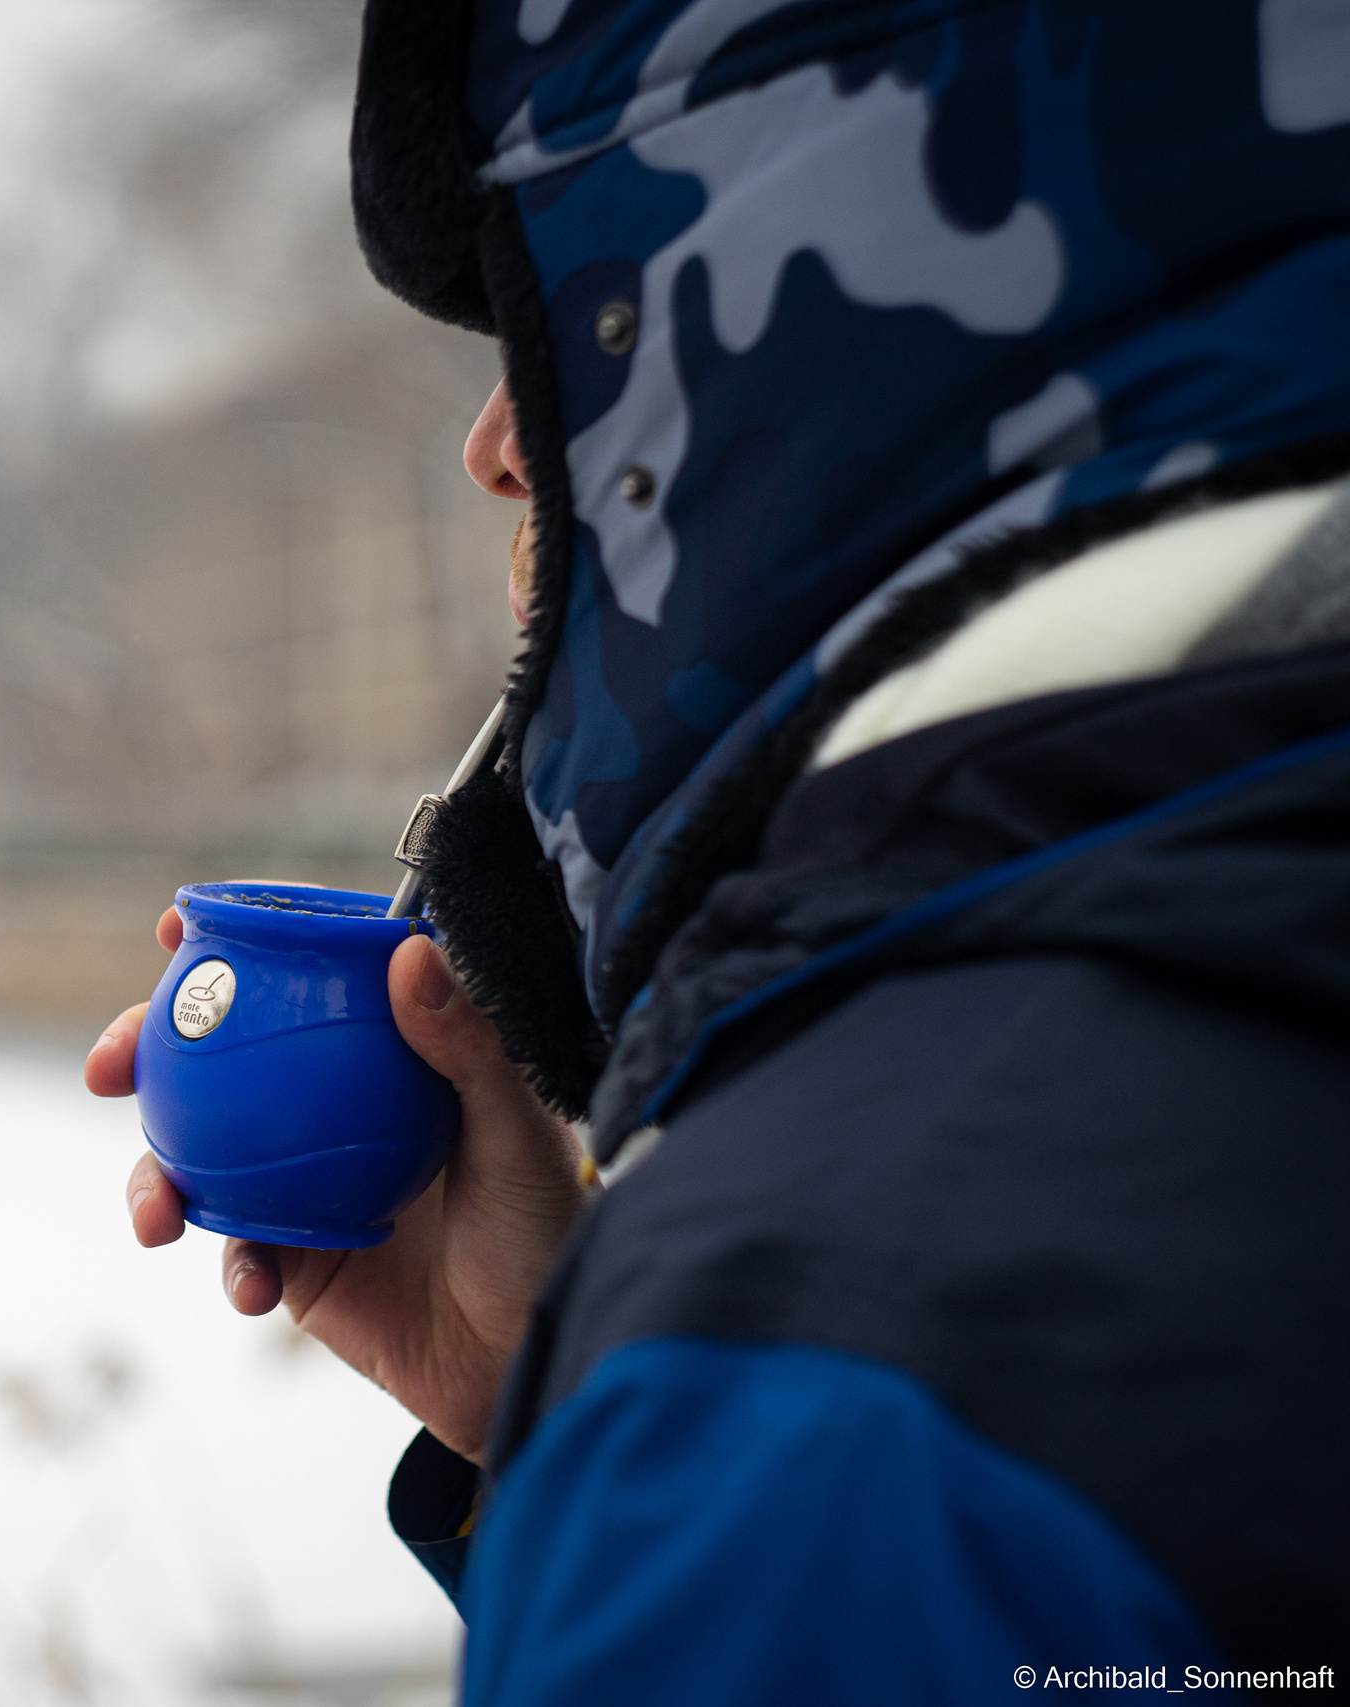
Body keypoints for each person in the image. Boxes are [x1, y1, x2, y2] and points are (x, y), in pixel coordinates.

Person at [89, 0, 1350, 1699]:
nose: (499, 449)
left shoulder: (842, 1425)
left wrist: (669, 1466)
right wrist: (573, 1394)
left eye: (575, 333)